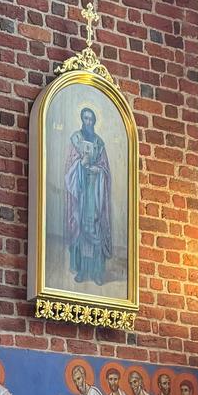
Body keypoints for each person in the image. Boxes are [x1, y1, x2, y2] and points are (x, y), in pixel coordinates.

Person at [65, 106, 114, 285]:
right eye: (86, 118)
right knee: (80, 226)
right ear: (82, 120)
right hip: (80, 193)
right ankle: (82, 270)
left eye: (91, 119)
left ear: (94, 121)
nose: (89, 122)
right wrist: (81, 163)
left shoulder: (99, 143)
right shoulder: (75, 139)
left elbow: (105, 169)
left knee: (95, 226)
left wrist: (98, 170)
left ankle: (96, 272)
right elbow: (69, 167)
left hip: (95, 191)